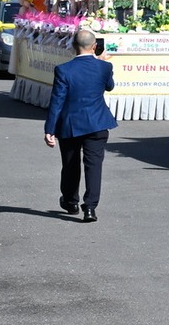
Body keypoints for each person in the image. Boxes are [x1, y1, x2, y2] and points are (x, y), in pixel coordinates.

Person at [43, 29, 118, 222]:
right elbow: (109, 86)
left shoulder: (63, 70)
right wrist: (101, 62)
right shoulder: (104, 67)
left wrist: (50, 129)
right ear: (95, 46)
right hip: (97, 123)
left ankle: (71, 202)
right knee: (94, 166)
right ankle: (90, 208)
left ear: (72, 46)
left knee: (70, 164)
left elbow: (57, 101)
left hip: (71, 124)